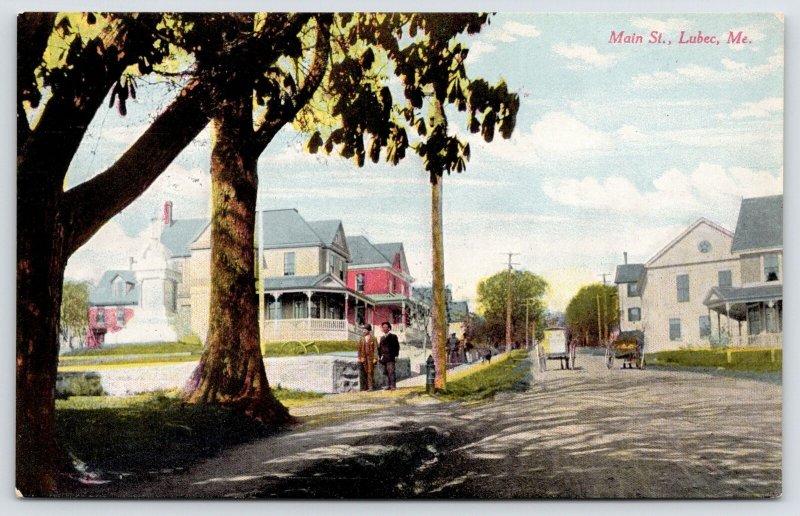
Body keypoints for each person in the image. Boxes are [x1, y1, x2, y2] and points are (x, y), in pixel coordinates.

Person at [378, 321, 400, 390]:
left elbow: (397, 346)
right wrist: (379, 356)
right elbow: (379, 348)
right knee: (386, 372)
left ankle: (393, 386)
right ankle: (388, 385)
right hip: (384, 358)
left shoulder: (393, 337)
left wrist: (396, 355)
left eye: (386, 327)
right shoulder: (382, 338)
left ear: (389, 328)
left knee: (391, 371)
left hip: (391, 357)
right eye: (383, 327)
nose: (384, 329)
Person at [357, 324, 378, 391]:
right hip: (364, 357)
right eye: (363, 330)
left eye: (365, 330)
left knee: (370, 371)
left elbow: (376, 349)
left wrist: (375, 358)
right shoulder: (361, 339)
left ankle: (370, 387)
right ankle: (365, 386)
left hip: (371, 358)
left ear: (369, 330)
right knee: (365, 371)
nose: (364, 331)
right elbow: (359, 349)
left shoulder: (374, 338)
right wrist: (359, 357)